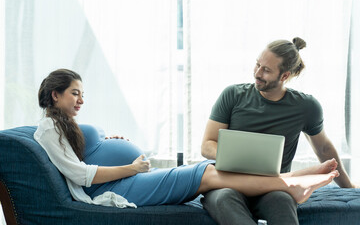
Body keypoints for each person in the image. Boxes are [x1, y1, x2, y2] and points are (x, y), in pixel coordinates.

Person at [34, 68, 339, 209]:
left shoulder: (61, 124)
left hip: (128, 179)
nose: (80, 101)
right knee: (208, 173)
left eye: (82, 95)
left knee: (212, 171)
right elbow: (79, 174)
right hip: (120, 186)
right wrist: (129, 167)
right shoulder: (47, 128)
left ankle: (290, 179)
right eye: (75, 94)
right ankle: (292, 184)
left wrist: (107, 141)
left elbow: (82, 155)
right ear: (55, 94)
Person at [200, 37, 357, 225]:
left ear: (284, 76)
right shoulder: (233, 95)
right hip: (228, 184)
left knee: (282, 201)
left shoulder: (306, 106)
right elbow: (207, 145)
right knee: (223, 198)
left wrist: (348, 187)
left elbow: (323, 148)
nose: (257, 73)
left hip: (273, 187)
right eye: (257, 64)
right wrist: (244, 159)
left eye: (266, 70)